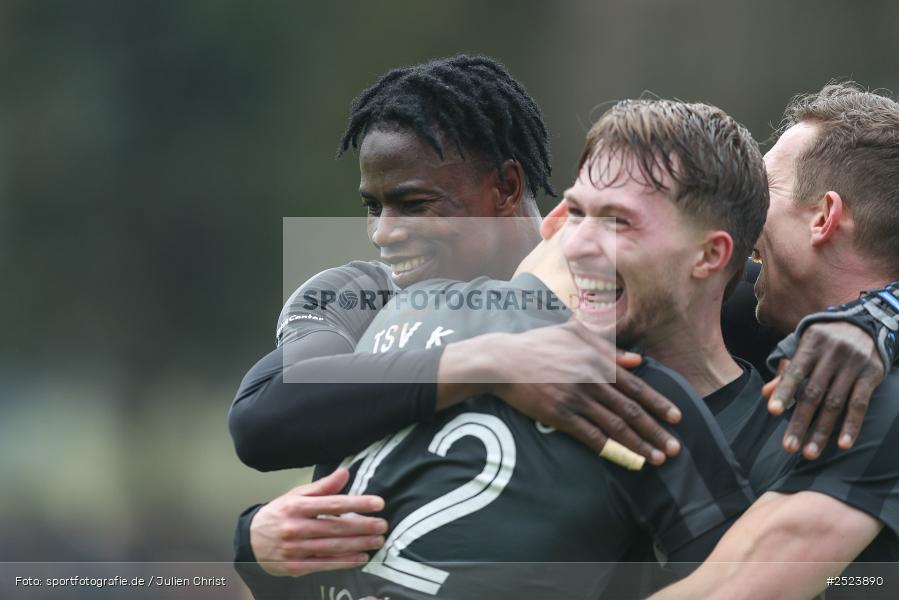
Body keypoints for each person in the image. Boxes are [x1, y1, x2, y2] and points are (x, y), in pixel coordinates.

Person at [232, 61, 887, 587]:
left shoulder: (786, 381)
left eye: (413, 205)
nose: (385, 234)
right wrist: (256, 541)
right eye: (576, 212)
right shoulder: (383, 299)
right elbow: (267, 423)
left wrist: (875, 316)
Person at [649, 82, 899, 600]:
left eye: (762, 192)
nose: (737, 220)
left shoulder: (879, 395)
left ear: (824, 217)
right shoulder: (757, 312)